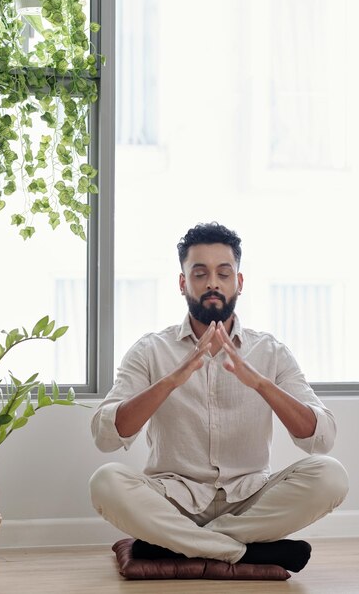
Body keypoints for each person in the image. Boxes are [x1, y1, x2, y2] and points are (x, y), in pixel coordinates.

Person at [89, 222, 348, 573]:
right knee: (105, 482)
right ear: (183, 283)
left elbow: (322, 438)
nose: (212, 282)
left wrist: (261, 385)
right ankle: (244, 552)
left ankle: (182, 543)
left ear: (238, 282)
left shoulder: (270, 352)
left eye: (223, 273)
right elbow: (106, 436)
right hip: (173, 498)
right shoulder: (150, 350)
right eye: (200, 273)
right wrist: (171, 380)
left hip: (249, 500)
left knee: (331, 476)